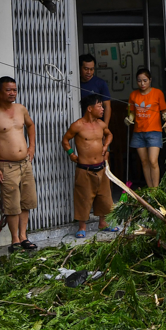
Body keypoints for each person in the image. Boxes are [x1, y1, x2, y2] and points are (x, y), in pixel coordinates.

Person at [0, 76, 38, 252]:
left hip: (25, 163)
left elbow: (30, 125)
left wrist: (32, 148)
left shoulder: (21, 109)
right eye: (8, 90)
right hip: (6, 165)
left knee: (27, 201)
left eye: (14, 89)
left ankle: (23, 236)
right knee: (11, 204)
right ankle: (14, 239)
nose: (12, 93)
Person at [62, 95, 119, 239]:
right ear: (89, 108)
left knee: (104, 197)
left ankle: (103, 223)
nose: (102, 109)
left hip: (101, 167)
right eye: (99, 106)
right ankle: (82, 227)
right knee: (83, 198)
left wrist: (106, 146)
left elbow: (110, 134)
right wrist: (71, 154)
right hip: (84, 169)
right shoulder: (78, 125)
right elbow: (65, 140)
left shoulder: (101, 124)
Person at [127, 68, 166, 188]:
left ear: (150, 80)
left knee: (153, 160)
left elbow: (164, 110)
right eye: (139, 81)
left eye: (145, 80)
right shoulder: (133, 95)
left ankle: (155, 189)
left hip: (154, 131)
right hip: (138, 132)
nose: (142, 83)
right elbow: (132, 112)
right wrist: (129, 118)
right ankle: (150, 189)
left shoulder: (157, 93)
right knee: (144, 162)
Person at [79, 54, 111, 123]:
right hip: (80, 124)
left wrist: (105, 126)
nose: (89, 72)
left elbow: (107, 106)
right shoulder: (75, 82)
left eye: (92, 69)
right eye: (86, 69)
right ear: (79, 68)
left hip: (96, 125)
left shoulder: (101, 83)